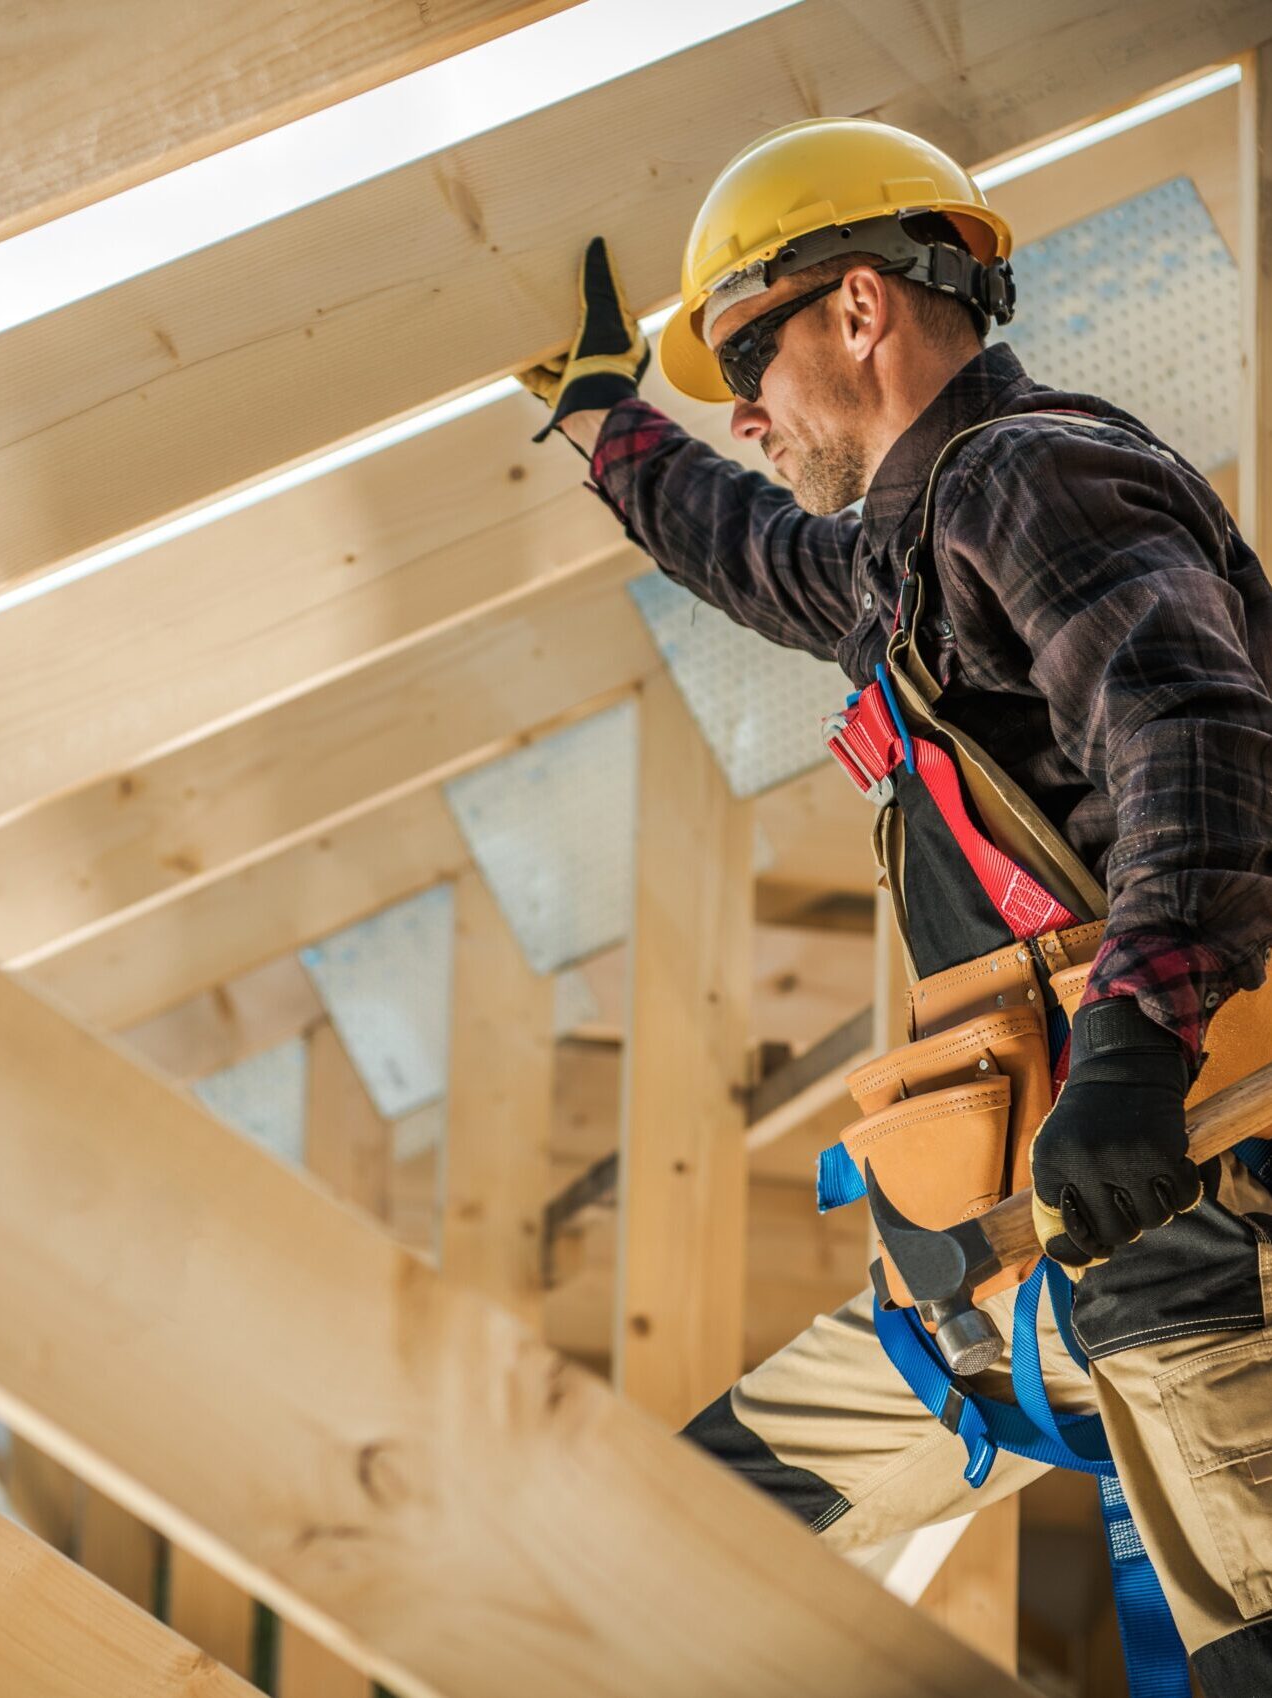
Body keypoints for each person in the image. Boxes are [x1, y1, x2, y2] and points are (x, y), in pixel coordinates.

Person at [520, 117, 1272, 1693]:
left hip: (1193, 1242)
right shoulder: (904, 554)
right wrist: (606, 419)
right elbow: (742, 546)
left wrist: (1132, 1048)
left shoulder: (1031, 478)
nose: (739, 407)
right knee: (660, 1536)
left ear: (858, 310)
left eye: (746, 351)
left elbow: (1192, 733)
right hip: (1016, 1262)